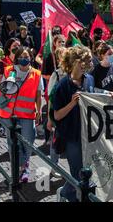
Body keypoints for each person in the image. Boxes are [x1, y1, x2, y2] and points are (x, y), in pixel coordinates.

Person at [52, 46, 96, 202]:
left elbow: (93, 96)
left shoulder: (89, 79)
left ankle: (65, 193)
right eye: (89, 60)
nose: (92, 63)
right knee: (78, 173)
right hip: (71, 137)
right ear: (79, 63)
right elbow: (57, 115)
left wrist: (107, 94)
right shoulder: (62, 86)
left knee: (85, 173)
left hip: (87, 135)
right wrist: (71, 103)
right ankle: (69, 196)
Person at [0, 46, 43, 182]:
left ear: (30, 58)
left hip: (27, 113)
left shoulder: (36, 74)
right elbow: (2, 90)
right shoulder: (9, 70)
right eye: (21, 57)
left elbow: (38, 95)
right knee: (12, 143)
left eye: (27, 57)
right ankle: (20, 169)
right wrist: (9, 83)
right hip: (9, 113)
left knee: (28, 141)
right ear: (17, 58)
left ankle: (24, 164)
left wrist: (39, 110)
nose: (24, 59)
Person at [46, 47, 67, 178]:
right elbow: (50, 98)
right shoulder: (56, 74)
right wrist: (49, 118)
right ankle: (54, 166)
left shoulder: (73, 73)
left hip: (69, 114)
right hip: (58, 113)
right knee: (56, 140)